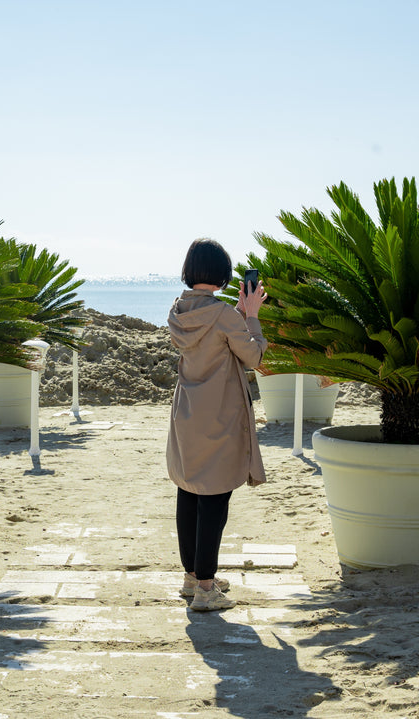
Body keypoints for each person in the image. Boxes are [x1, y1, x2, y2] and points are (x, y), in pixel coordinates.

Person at [166, 238, 268, 612]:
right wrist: (251, 314)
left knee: (189, 489)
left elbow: (212, 339)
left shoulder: (178, 310)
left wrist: (237, 315)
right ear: (225, 276)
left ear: (189, 271)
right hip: (220, 415)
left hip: (187, 410)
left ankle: (193, 576)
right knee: (214, 496)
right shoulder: (225, 314)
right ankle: (206, 590)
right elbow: (254, 355)